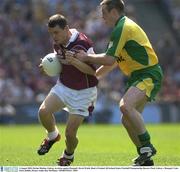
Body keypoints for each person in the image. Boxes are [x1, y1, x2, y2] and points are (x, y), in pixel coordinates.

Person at [66, 0, 163, 166]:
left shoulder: (122, 27)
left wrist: (86, 57)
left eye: (104, 13)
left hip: (148, 74)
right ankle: (144, 156)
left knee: (125, 106)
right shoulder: (122, 28)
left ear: (114, 12)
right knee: (126, 119)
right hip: (138, 75)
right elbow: (115, 61)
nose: (102, 17)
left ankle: (147, 146)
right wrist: (94, 77)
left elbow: (109, 59)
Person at [37, 14, 98, 166]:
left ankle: (68, 155)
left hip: (84, 93)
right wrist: (48, 68)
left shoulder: (83, 43)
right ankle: (52, 136)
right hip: (64, 86)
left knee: (70, 134)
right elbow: (61, 64)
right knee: (43, 112)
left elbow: (93, 71)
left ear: (66, 29)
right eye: (51, 33)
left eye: (56, 32)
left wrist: (75, 61)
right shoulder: (57, 43)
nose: (54, 37)